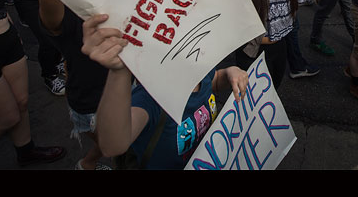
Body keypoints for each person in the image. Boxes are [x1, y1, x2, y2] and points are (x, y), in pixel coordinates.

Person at [82, 13, 249, 170]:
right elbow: (112, 145)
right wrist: (119, 71)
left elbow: (214, 81)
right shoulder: (150, 98)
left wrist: (229, 73)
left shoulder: (200, 71)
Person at [0, 0, 66, 167]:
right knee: (7, 118)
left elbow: (0, 6)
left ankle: (26, 150)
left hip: (8, 42)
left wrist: (13, 31)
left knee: (22, 102)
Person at [38, 0, 111, 170]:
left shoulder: (115, 1)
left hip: (123, 91)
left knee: (120, 142)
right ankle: (87, 163)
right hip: (91, 101)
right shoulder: (69, 14)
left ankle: (88, 163)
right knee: (114, 143)